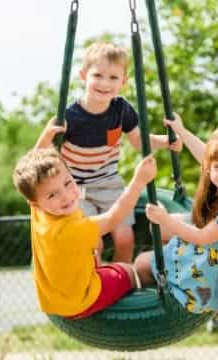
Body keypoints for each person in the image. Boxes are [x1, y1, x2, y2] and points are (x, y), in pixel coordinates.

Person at [134, 114, 218, 327]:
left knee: (141, 262)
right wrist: (181, 130)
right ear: (211, 166)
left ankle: (152, 295)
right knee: (158, 230)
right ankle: (168, 262)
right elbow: (204, 152)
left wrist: (165, 218)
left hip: (211, 264)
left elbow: (201, 238)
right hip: (211, 244)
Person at [12, 122, 157, 319]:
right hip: (81, 302)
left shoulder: (40, 212)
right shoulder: (69, 228)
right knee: (127, 270)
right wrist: (139, 181)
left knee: (96, 254)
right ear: (35, 203)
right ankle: (132, 305)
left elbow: (34, 175)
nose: (66, 196)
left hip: (54, 299)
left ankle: (103, 274)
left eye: (67, 183)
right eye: (53, 195)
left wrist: (46, 138)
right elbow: (114, 217)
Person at [60, 42, 181, 264]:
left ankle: (121, 277)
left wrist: (165, 141)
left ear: (123, 82)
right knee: (92, 243)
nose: (105, 83)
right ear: (83, 75)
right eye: (98, 75)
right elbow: (51, 153)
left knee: (125, 239)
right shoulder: (69, 116)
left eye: (113, 78)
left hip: (109, 184)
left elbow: (138, 141)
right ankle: (96, 283)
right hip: (77, 188)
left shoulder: (121, 110)